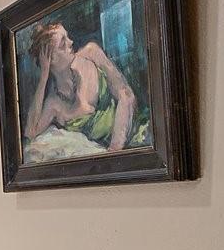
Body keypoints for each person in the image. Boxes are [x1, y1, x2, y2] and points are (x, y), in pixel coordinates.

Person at [23, 21, 139, 153]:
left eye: (67, 37)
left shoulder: (91, 53)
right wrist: (43, 77)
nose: (71, 42)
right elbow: (31, 132)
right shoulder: (53, 103)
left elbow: (126, 94)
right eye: (63, 44)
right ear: (51, 60)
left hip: (129, 143)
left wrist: (114, 150)